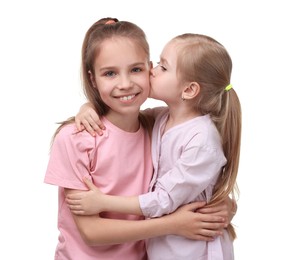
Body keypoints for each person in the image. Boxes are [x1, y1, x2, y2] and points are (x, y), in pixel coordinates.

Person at [44, 18, 233, 260]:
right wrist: (174, 224)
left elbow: (193, 180)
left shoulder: (157, 127)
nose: (125, 84)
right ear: (93, 79)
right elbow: (91, 232)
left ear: (149, 69)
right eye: (110, 73)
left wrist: (226, 205)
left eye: (136, 70)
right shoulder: (75, 138)